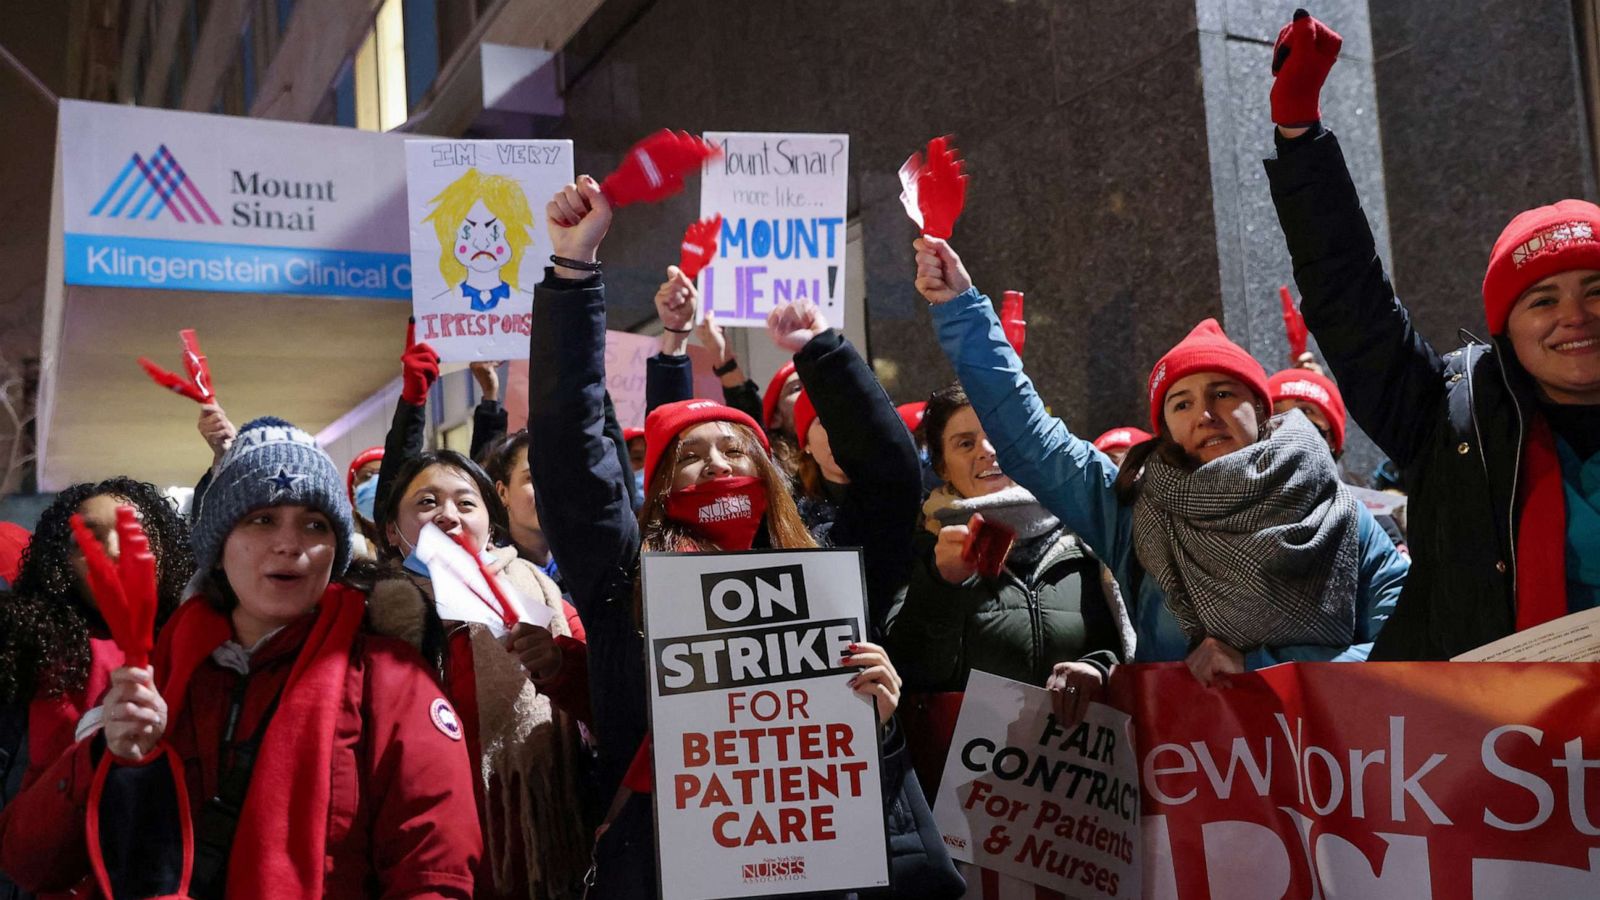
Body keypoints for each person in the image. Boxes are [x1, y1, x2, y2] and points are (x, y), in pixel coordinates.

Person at [528, 175, 961, 898]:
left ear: (769, 474)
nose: (717, 465)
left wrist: (822, 352)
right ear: (659, 492)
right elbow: (572, 461)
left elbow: (889, 479)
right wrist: (573, 275)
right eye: (690, 459)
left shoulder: (825, 572)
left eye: (735, 452)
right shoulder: (626, 589)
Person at [0, 417, 482, 898]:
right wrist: (103, 754)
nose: (289, 544)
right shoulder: (160, 674)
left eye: (315, 524)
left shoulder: (390, 678)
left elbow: (434, 871)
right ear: (219, 543)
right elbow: (31, 862)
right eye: (262, 519)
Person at [913, 236, 1408, 683]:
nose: (1206, 414)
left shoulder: (1341, 515)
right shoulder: (1133, 508)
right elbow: (1031, 436)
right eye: (1182, 403)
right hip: (1188, 771)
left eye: (1222, 393)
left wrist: (1259, 669)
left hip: (1325, 769)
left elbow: (1406, 644)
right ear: (1166, 426)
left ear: (1259, 408)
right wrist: (962, 311)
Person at [1264, 10, 1600, 658]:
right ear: (1506, 328)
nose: (1575, 317)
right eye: (1543, 299)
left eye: (1596, 292)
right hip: (1497, 748)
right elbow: (1347, 298)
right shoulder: (1451, 419)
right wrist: (1300, 134)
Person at [885, 382, 1132, 798]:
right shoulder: (919, 549)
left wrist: (1098, 669)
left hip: (1081, 793)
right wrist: (940, 582)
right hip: (970, 799)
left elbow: (1123, 648)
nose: (987, 450)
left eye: (999, 435)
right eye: (965, 443)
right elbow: (913, 674)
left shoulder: (1088, 540)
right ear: (942, 466)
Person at [370, 449, 588, 900]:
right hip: (410, 845)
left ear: (491, 523)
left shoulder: (542, 598)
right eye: (427, 503)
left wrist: (559, 665)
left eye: (466, 503)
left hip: (521, 851)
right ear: (392, 531)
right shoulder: (364, 611)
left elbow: (607, 704)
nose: (448, 515)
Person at [483, 432, 561, 584]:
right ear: (502, 492)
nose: (547, 488)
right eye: (532, 478)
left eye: (555, 478)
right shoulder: (494, 571)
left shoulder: (585, 563)